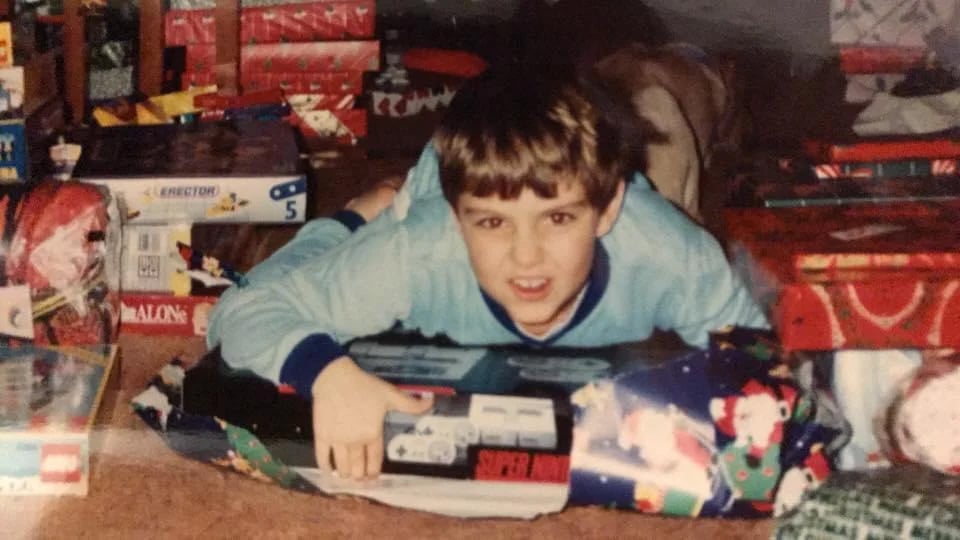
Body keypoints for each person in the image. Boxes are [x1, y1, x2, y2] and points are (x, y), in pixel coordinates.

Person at [206, 66, 768, 481]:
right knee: (308, 267)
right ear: (458, 220)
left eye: (558, 219)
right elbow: (238, 312)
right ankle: (360, 212)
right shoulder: (419, 248)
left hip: (624, 199)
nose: (527, 259)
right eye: (495, 223)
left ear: (607, 211)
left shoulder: (674, 258)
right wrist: (329, 376)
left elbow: (764, 369)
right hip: (423, 197)